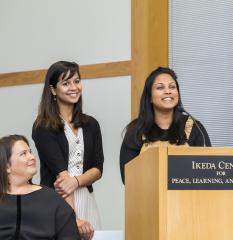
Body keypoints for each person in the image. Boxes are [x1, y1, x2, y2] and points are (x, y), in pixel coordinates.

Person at [32, 61, 103, 235]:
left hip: (87, 198)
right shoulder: (43, 126)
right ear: (53, 90)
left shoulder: (91, 124)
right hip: (58, 201)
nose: (73, 87)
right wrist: (73, 218)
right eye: (66, 83)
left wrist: (77, 181)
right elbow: (62, 179)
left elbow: (98, 169)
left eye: (77, 81)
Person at [120, 67, 211, 183]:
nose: (168, 91)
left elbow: (208, 171)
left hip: (189, 199)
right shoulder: (136, 130)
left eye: (172, 87)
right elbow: (127, 178)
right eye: (160, 87)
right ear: (149, 98)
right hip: (148, 199)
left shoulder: (194, 127)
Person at [0, 134, 81, 239]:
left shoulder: (52, 199)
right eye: (23, 154)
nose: (32, 157)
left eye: (30, 152)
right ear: (6, 166)